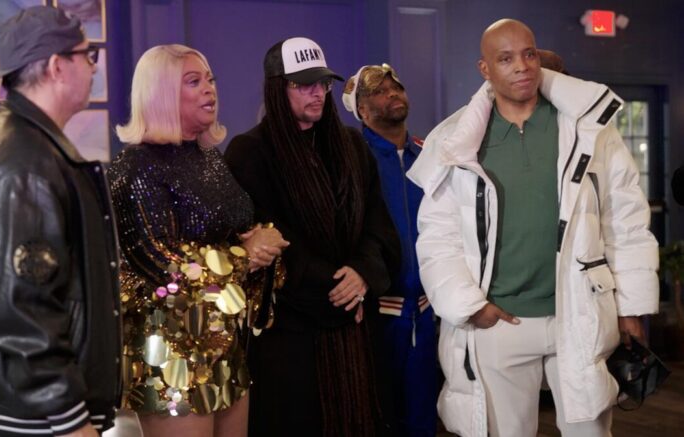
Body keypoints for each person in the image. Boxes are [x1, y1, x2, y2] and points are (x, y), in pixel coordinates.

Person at [407, 19, 659, 437]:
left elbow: (624, 221)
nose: (522, 66)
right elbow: (438, 236)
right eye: (505, 59)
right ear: (485, 68)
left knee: (590, 432)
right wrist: (470, 306)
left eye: (528, 54)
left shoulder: (588, 127)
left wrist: (630, 308)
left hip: (578, 313)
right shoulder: (456, 139)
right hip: (498, 320)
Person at [0, 6, 120, 437]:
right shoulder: (25, 163)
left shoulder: (29, 145)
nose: (94, 67)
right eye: (88, 55)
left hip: (34, 413)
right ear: (57, 66)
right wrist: (68, 418)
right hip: (35, 420)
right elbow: (21, 309)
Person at [107, 44, 288, 437]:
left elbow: (235, 228)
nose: (210, 89)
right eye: (194, 81)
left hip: (223, 340)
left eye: (210, 79)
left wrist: (261, 239)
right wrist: (245, 256)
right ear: (160, 93)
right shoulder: (135, 166)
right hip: (171, 347)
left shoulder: (209, 158)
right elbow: (163, 265)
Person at [224, 37, 401, 437]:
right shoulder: (250, 152)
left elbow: (378, 227)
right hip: (292, 331)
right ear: (277, 88)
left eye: (322, 83)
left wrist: (361, 273)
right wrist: (337, 288)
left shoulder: (352, 146)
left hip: (356, 325)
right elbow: (271, 240)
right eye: (303, 84)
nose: (317, 93)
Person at [342, 63, 437, 437]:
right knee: (377, 418)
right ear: (361, 110)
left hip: (428, 313)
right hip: (375, 315)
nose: (392, 94)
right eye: (379, 92)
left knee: (424, 419)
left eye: (396, 87)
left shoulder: (430, 154)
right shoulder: (350, 159)